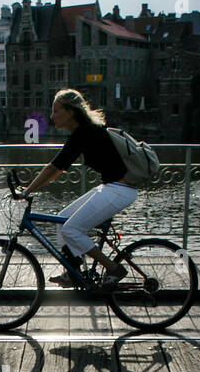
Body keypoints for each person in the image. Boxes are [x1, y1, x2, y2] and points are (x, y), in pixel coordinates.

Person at [14, 89, 138, 289]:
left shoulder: (84, 132)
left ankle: (114, 269)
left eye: (56, 111)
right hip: (111, 186)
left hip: (119, 189)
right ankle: (73, 272)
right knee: (63, 220)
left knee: (71, 229)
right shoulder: (84, 131)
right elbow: (58, 169)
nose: (52, 116)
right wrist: (31, 189)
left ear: (70, 112)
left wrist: (27, 191)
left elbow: (54, 166)